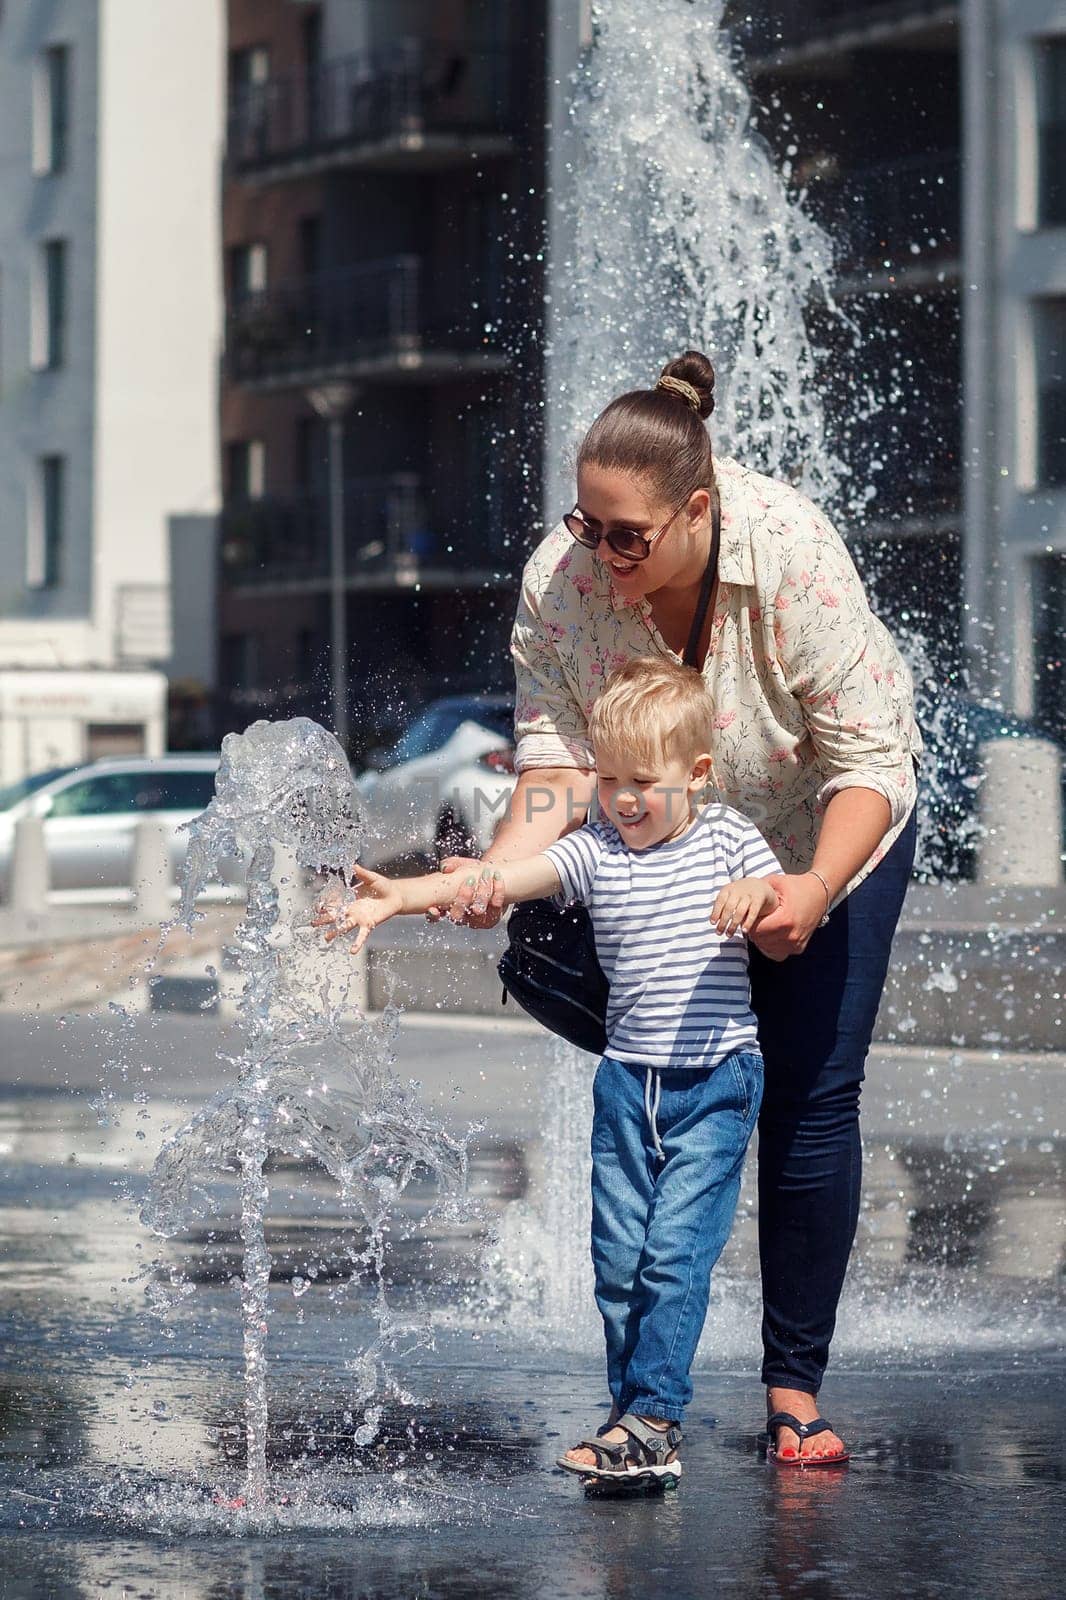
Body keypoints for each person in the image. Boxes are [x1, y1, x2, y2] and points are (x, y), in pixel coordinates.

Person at [439, 350, 922, 1467]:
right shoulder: (564, 577)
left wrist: (804, 889)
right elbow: (556, 759)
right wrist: (498, 873)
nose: (596, 554)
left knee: (808, 1094)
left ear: (697, 511)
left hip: (821, 828)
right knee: (662, 1064)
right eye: (584, 523)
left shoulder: (790, 551)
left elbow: (871, 760)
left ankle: (793, 1389)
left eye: (626, 536)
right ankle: (641, 1394)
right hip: (652, 837)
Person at [315, 656, 783, 1485]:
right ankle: (630, 1414)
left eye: (644, 779)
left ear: (698, 773)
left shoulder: (729, 838)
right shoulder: (597, 850)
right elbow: (507, 876)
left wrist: (758, 898)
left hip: (714, 1082)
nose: (623, 797)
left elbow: (779, 897)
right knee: (614, 1260)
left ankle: (653, 1419)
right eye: (607, 779)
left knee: (673, 1253)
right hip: (624, 1085)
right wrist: (402, 899)